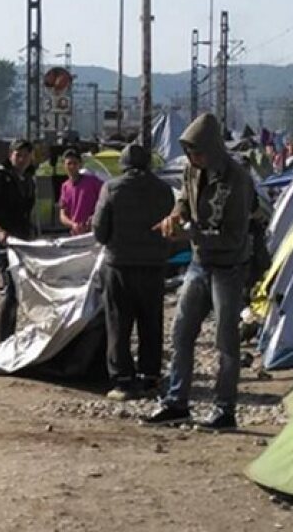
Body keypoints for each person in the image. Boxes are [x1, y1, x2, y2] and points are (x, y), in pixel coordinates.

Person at [146, 113, 254, 430]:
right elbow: (183, 199)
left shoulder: (237, 178)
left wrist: (190, 234)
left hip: (229, 266)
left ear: (212, 148)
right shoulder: (192, 170)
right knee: (181, 333)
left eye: (198, 152)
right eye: (190, 152)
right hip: (199, 262)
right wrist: (175, 217)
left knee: (226, 340)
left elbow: (235, 235)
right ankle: (177, 401)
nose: (194, 158)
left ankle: (224, 409)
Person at [91, 144, 175, 401]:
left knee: (119, 323)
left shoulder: (112, 188)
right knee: (151, 322)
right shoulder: (164, 190)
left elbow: (99, 229)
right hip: (154, 267)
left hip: (119, 266)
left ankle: (123, 381)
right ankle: (150, 378)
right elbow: (172, 228)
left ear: (124, 164)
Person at [0, 139, 36, 342]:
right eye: (18, 155)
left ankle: (10, 337)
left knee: (20, 291)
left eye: (25, 156)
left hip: (22, 242)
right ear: (11, 155)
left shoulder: (28, 181)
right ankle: (3, 341)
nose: (21, 159)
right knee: (11, 289)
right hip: (2, 243)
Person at [58, 150, 103, 234]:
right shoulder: (65, 187)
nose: (72, 166)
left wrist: (95, 217)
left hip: (94, 231)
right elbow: (62, 215)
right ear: (64, 165)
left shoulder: (92, 181)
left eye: (75, 163)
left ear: (80, 165)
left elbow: (106, 200)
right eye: (69, 163)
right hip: (75, 233)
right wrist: (73, 224)